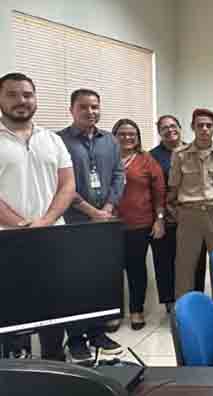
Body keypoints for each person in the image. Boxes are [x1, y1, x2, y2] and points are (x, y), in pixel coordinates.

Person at [0, 72, 75, 360]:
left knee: (53, 312)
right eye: (12, 94)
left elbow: (67, 185)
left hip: (51, 239)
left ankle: (55, 366)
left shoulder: (52, 139)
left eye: (27, 94)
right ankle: (13, 377)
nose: (21, 101)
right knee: (11, 315)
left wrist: (44, 222)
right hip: (8, 242)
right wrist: (20, 225)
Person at [58, 88, 124, 360]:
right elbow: (60, 184)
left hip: (105, 222)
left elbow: (119, 175)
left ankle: (97, 332)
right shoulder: (59, 141)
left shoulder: (109, 140)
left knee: (100, 279)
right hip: (74, 222)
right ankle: (75, 338)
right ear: (72, 109)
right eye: (84, 107)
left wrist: (107, 208)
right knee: (75, 282)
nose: (90, 112)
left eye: (95, 107)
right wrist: (89, 210)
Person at [169, 108, 213, 300]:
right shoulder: (180, 154)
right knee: (185, 264)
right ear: (193, 127)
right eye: (200, 125)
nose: (204, 129)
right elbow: (174, 187)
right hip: (189, 214)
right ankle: (184, 309)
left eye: (208, 126)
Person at [113, 118, 166, 331]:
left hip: (139, 223)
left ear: (138, 137)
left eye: (131, 134)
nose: (127, 138)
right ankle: (115, 312)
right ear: (114, 137)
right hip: (109, 225)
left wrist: (159, 219)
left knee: (136, 269)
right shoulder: (107, 158)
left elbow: (159, 191)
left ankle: (136, 310)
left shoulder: (146, 160)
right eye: (122, 134)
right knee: (112, 271)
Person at [149, 115, 206, 310]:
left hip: (193, 213)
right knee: (166, 258)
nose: (169, 130)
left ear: (181, 128)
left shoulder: (194, 150)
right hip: (166, 215)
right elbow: (153, 189)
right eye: (164, 128)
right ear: (159, 132)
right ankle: (171, 302)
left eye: (173, 126)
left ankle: (195, 297)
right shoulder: (152, 156)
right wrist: (162, 215)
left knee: (195, 258)